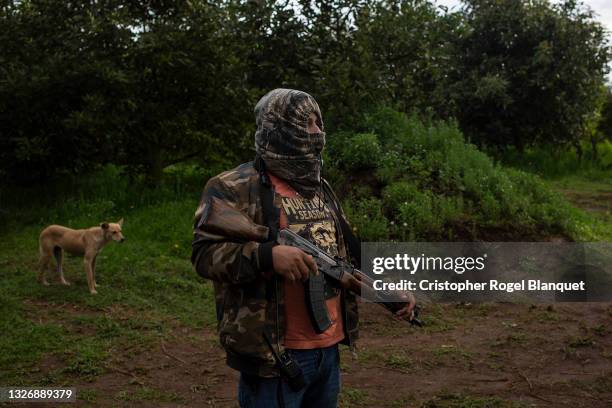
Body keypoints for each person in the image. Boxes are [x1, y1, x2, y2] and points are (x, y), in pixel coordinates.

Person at [191, 88, 416, 408]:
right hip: (273, 357)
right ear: (279, 129)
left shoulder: (318, 186)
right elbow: (203, 255)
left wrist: (388, 292)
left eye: (319, 124)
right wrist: (266, 255)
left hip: (328, 352)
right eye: (308, 124)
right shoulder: (233, 186)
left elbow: (345, 254)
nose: (318, 132)